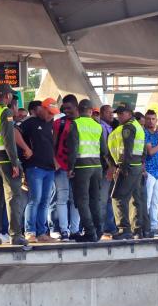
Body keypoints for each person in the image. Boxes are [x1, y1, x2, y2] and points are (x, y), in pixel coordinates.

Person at [0, 84, 27, 246]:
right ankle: (15, 235)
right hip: (5, 161)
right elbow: (8, 139)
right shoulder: (5, 111)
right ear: (7, 96)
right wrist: (15, 162)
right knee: (13, 198)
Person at [66, 99, 107, 242]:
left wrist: (70, 168)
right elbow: (104, 150)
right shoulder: (98, 126)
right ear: (90, 111)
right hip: (97, 167)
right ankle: (99, 230)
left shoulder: (75, 124)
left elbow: (73, 149)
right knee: (95, 200)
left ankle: (90, 232)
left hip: (82, 167)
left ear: (78, 110)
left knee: (82, 201)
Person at [19, 99, 59, 243]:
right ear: (40, 109)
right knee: (34, 200)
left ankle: (42, 233)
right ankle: (30, 232)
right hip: (34, 166)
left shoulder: (49, 123)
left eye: (53, 114)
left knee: (45, 201)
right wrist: (26, 149)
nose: (50, 116)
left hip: (49, 168)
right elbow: (14, 133)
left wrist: (55, 161)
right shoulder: (30, 122)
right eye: (49, 113)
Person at [107, 106, 149, 240]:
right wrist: (142, 164)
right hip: (136, 166)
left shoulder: (127, 128)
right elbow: (143, 150)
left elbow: (127, 149)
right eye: (117, 114)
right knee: (135, 198)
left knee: (118, 197)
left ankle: (124, 229)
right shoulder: (138, 126)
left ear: (129, 113)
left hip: (128, 167)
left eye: (121, 113)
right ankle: (138, 230)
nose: (119, 116)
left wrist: (123, 168)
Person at [53, 98, 80, 240]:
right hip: (62, 166)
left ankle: (75, 230)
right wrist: (54, 161)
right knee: (62, 198)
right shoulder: (59, 123)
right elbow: (53, 144)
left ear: (76, 106)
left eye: (69, 108)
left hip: (78, 167)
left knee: (76, 199)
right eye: (64, 108)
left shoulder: (83, 123)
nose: (66, 111)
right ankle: (64, 230)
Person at [97, 104, 117, 237]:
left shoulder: (109, 127)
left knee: (109, 199)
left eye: (112, 113)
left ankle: (110, 227)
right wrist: (110, 167)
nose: (112, 115)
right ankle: (102, 228)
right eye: (109, 112)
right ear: (102, 113)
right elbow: (104, 151)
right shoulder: (101, 128)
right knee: (103, 200)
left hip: (111, 168)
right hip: (105, 169)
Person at [143, 110, 158, 236]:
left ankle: (154, 226)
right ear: (145, 120)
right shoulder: (145, 133)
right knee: (147, 200)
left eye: (153, 119)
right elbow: (150, 152)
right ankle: (146, 226)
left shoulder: (157, 133)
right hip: (149, 171)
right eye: (148, 119)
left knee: (156, 201)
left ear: (156, 120)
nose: (151, 121)